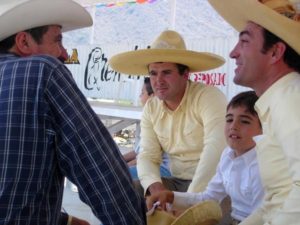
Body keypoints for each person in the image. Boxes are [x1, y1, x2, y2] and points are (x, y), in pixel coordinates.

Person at [0, 0, 146, 225]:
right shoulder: (43, 71)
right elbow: (102, 174)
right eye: (57, 40)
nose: (65, 54)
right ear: (24, 42)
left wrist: (64, 220)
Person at [208, 0, 300, 224]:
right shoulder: (277, 100)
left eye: (244, 41)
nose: (233, 53)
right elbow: (276, 199)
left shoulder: (290, 98)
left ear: (275, 52)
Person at [109, 30, 228, 196]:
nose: (158, 81)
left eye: (166, 72)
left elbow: (216, 149)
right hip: (176, 181)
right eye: (153, 73)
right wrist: (155, 188)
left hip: (216, 184)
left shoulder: (208, 97)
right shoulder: (151, 108)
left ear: (185, 74)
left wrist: (190, 200)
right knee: (117, 191)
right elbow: (148, 155)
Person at [147, 91, 264, 225]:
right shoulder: (228, 155)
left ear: (264, 128)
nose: (233, 126)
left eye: (244, 121)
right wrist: (171, 196)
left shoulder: (263, 164)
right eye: (229, 119)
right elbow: (209, 198)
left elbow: (264, 216)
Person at [123, 77, 171, 180]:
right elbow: (137, 152)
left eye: (142, 93)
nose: (140, 96)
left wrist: (121, 167)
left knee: (119, 176)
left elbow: (146, 158)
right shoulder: (150, 116)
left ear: (152, 96)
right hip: (149, 165)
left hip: (163, 169)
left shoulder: (160, 119)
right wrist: (117, 160)